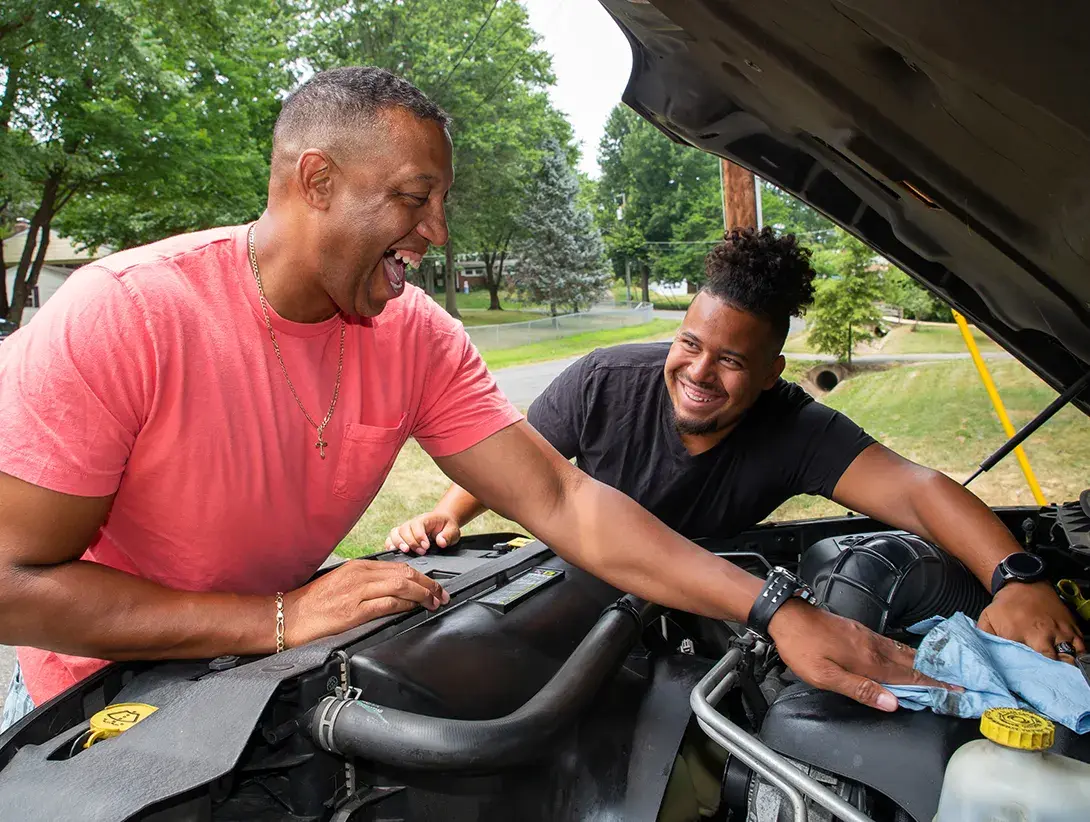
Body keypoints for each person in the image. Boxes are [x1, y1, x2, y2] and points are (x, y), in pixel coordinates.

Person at [0, 67, 939, 734]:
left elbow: (567, 502)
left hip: (260, 674)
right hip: (88, 710)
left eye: (442, 202)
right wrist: (274, 617)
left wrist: (775, 610)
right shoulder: (126, 315)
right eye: (415, 198)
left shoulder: (415, 336)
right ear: (315, 180)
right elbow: (14, 588)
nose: (437, 234)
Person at [392, 227, 1082, 662]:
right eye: (689, 343)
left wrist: (1015, 578)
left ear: (771, 374)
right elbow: (518, 464)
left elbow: (916, 489)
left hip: (705, 609)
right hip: (581, 596)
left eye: (730, 361)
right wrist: (449, 514)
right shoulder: (604, 380)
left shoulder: (793, 426)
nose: (697, 372)